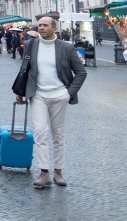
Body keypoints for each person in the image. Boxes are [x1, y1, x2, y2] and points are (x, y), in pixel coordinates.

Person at [16, 15, 87, 189]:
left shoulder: (67, 47)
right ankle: (44, 173)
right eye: (39, 25)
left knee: (58, 134)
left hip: (59, 95)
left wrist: (69, 94)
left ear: (54, 28)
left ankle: (58, 171)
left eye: (45, 25)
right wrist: (20, 91)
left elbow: (81, 73)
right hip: (38, 94)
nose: (41, 28)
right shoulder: (31, 45)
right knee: (40, 131)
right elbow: (25, 69)